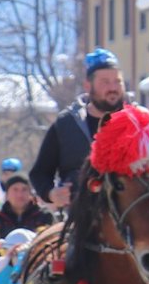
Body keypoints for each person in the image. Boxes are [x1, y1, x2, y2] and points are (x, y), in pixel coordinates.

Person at [33, 48, 130, 207]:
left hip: (133, 216)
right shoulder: (66, 124)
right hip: (81, 217)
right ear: (87, 85)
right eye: (105, 82)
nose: (113, 87)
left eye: (117, 81)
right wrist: (51, 194)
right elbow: (40, 173)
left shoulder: (140, 122)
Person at [0, 173, 51, 247]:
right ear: (7, 194)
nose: (20, 195)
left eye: (24, 189)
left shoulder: (44, 215)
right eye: (15, 190)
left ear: (30, 194)